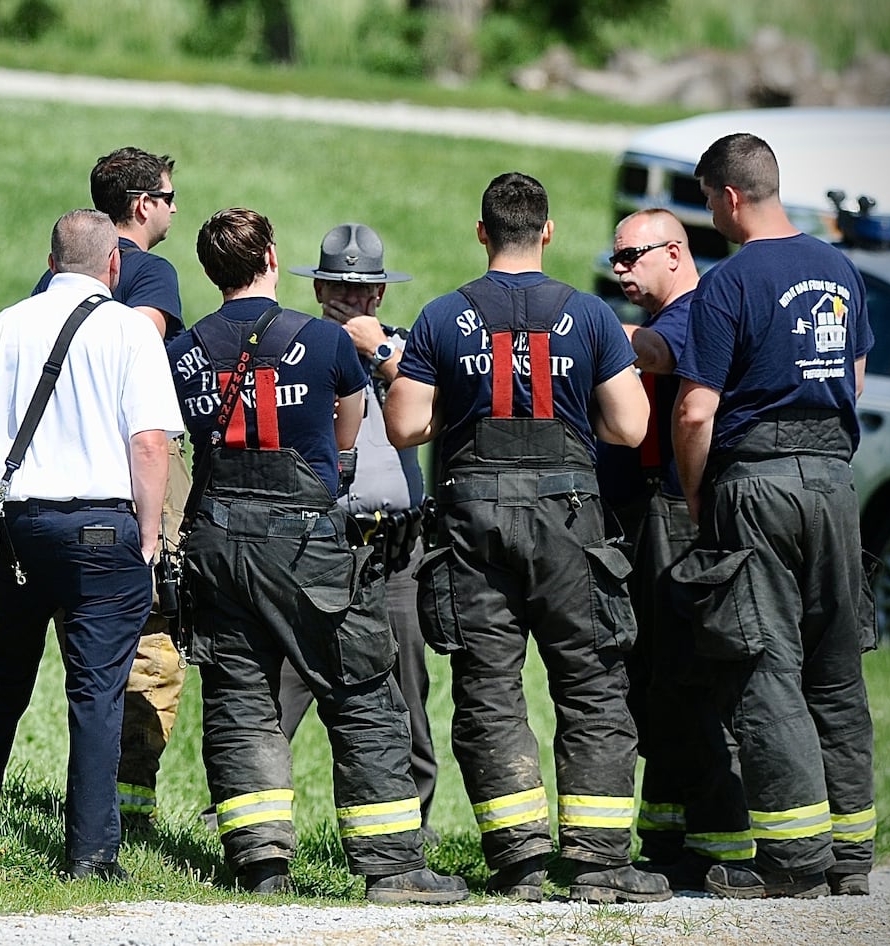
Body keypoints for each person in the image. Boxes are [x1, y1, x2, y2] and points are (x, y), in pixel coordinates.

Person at [165, 208, 467, 904]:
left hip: (216, 538)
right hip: (304, 543)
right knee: (363, 693)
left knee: (240, 699)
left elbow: (170, 436)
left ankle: (259, 864)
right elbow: (349, 438)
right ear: (272, 257)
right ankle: (394, 865)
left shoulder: (181, 352)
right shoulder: (325, 343)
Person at [384, 172, 670, 904]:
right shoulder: (591, 317)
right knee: (593, 684)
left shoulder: (444, 317)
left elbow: (406, 425)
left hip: (473, 523)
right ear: (548, 233)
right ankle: (601, 864)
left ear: (482, 234)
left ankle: (520, 863)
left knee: (488, 690)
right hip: (571, 524)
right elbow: (631, 427)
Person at [0, 209, 183, 881]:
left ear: (52, 261)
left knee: (3, 663)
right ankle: (91, 853)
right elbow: (151, 442)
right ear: (114, 266)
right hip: (105, 533)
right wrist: (152, 531)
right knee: (97, 689)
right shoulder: (132, 331)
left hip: (22, 529)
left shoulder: (6, 324)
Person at [672, 133, 876, 900]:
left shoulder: (731, 282)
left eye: (706, 199)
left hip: (756, 482)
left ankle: (792, 860)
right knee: (836, 665)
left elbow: (696, 409)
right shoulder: (840, 270)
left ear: (728, 196)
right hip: (834, 482)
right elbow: (853, 376)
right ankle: (851, 858)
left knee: (765, 666)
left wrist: (698, 494)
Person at [599, 210, 752, 888]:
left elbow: (655, 357)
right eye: (616, 258)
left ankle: (719, 844)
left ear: (675, 250)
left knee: (688, 678)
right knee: (654, 679)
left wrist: (567, 329)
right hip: (647, 517)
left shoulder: (696, 312)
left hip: (679, 516)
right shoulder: (663, 316)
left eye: (632, 255)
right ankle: (666, 838)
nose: (621, 269)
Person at [35, 147, 187, 826]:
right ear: (141, 205)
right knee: (152, 636)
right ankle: (128, 804)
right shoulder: (151, 272)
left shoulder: (54, 283)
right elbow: (140, 348)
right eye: (169, 196)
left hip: (61, 476)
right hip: (135, 462)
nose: (175, 208)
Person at [280, 222, 438, 832]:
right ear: (319, 290)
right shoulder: (299, 347)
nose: (351, 300)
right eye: (339, 289)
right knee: (286, 686)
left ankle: (410, 831)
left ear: (380, 296)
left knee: (406, 692)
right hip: (320, 544)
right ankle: (252, 830)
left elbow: (434, 410)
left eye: (363, 291)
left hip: (394, 551)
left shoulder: (406, 353)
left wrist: (378, 351)